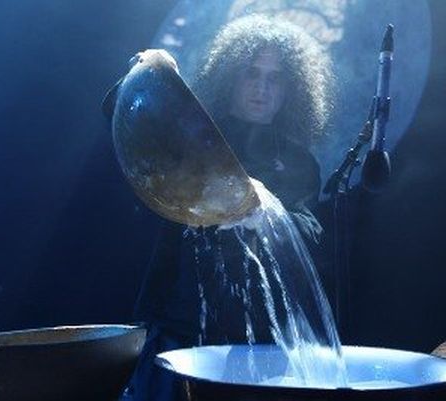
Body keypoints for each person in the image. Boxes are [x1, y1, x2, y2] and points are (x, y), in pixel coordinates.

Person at [128, 14, 334, 401]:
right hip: (184, 322)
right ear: (230, 76)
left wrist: (266, 214)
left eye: (275, 78)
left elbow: (311, 230)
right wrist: (146, 85)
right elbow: (155, 214)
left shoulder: (298, 162)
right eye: (251, 73)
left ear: (290, 89)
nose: (261, 88)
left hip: (261, 332)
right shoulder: (189, 138)